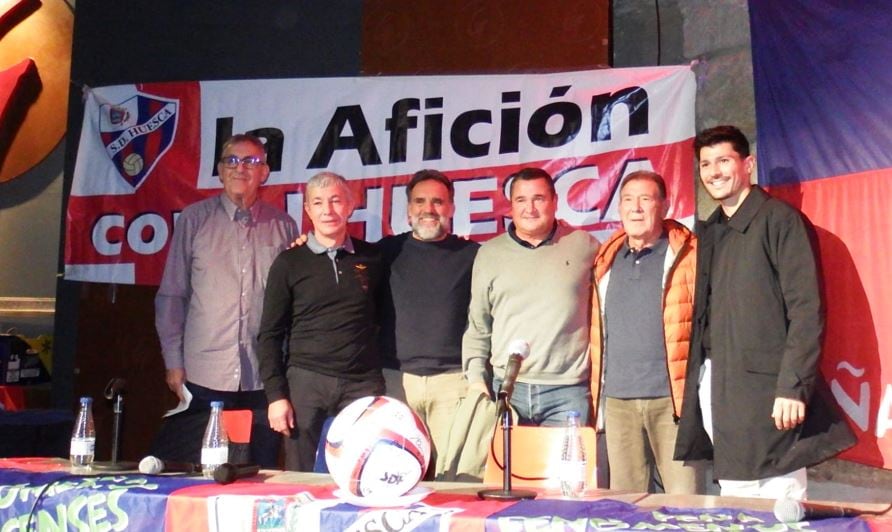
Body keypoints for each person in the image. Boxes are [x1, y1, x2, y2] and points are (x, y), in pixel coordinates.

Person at [674, 125, 855, 499]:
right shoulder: (711, 231)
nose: (714, 172)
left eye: (724, 160)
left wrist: (793, 387)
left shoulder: (780, 221)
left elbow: (807, 311)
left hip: (772, 393)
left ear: (748, 165)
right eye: (705, 164)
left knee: (780, 503)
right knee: (737, 500)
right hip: (720, 386)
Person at [154, 133, 297, 467]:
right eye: (231, 160)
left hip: (262, 377)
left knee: (256, 470)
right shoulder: (194, 220)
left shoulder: (283, 227)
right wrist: (173, 361)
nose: (240, 168)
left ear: (265, 173)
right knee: (201, 471)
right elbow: (172, 295)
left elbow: (291, 307)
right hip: (205, 376)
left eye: (251, 161)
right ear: (219, 170)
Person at [257, 171, 384, 471]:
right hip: (306, 382)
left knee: (362, 472)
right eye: (318, 203)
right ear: (308, 210)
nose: (328, 210)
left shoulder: (375, 258)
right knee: (300, 475)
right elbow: (269, 335)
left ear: (350, 205)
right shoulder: (288, 262)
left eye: (336, 200)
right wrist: (276, 396)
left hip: (361, 383)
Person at [591, 170, 701, 494]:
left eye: (645, 199)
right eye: (627, 200)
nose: (635, 208)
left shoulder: (689, 255)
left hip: (672, 403)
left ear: (664, 206)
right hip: (618, 402)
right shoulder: (605, 258)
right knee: (624, 508)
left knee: (686, 503)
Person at [463, 167, 600, 425]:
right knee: (508, 467)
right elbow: (478, 326)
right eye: (521, 200)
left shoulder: (586, 246)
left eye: (539, 198)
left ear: (555, 202)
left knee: (566, 467)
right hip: (506, 391)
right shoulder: (489, 254)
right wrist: (475, 381)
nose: (530, 208)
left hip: (567, 392)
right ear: (510, 206)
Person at [378, 169, 480, 479]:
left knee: (450, 480)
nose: (429, 209)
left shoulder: (473, 255)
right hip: (396, 381)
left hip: (452, 383)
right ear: (408, 209)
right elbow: (335, 254)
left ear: (451, 208)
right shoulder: (384, 252)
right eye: (420, 201)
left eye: (438, 202)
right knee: (397, 476)